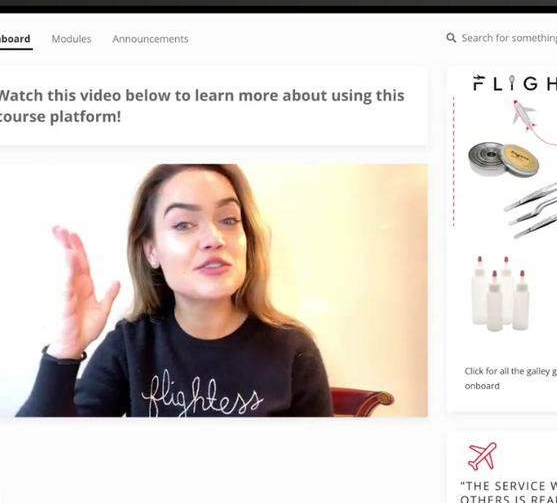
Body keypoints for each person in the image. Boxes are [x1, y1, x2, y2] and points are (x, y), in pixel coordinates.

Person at [18, 164, 331, 416]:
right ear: (151, 250)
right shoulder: (130, 345)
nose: (214, 238)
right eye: (183, 224)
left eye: (228, 219)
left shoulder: (294, 350)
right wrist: (64, 353)